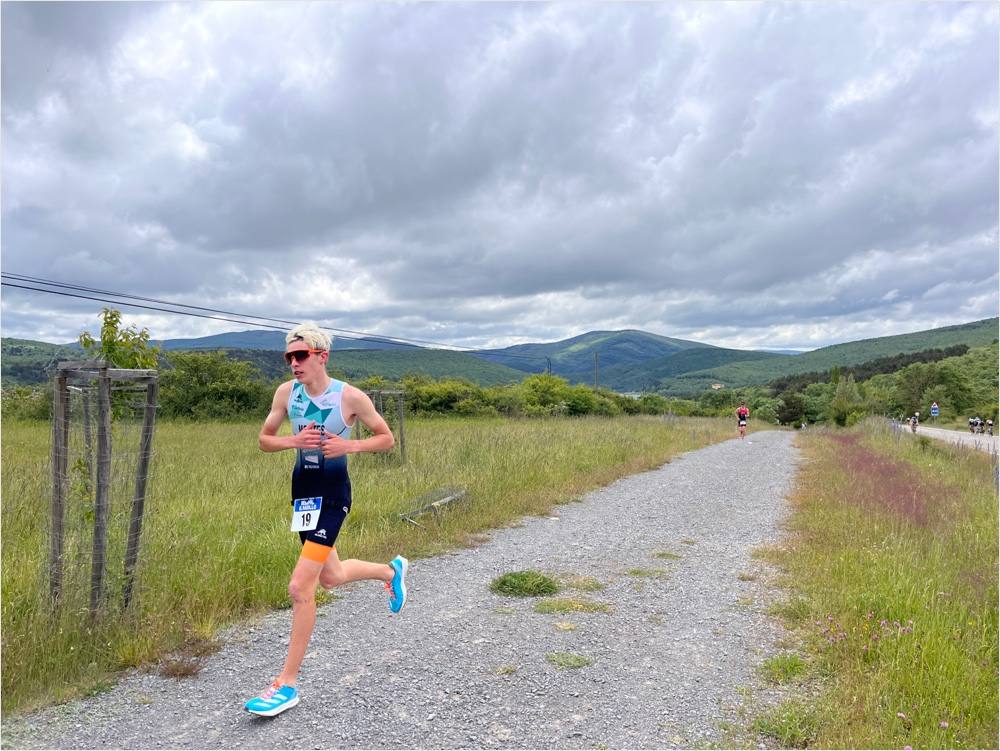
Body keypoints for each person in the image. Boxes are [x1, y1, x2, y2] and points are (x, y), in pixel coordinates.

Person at [245, 323, 408, 717]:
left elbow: (386, 438)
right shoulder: (287, 394)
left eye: (301, 356)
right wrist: (293, 441)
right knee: (331, 576)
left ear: (322, 356)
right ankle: (390, 572)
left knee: (301, 586)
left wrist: (349, 444)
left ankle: (286, 684)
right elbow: (265, 440)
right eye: (289, 357)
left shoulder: (349, 397)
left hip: (334, 496)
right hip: (303, 495)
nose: (294, 363)